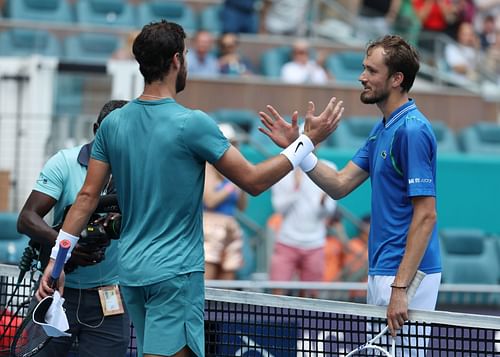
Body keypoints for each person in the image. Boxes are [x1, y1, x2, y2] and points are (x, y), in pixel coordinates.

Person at [36, 20, 345, 357]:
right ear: (176, 60)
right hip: (174, 276)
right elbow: (254, 182)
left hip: (132, 275)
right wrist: (306, 142)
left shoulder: (113, 123)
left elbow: (86, 198)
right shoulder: (192, 123)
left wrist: (57, 261)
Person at [259, 35, 442, 341]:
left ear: (397, 79)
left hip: (405, 274)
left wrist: (400, 286)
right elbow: (340, 184)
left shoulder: (412, 130)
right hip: (384, 269)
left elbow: (426, 216)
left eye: (371, 71)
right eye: (363, 69)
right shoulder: (383, 127)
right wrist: (298, 148)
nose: (362, 77)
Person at [17, 100, 130, 357]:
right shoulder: (64, 162)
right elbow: (26, 218)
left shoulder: (137, 173)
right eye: (109, 134)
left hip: (110, 298)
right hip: (55, 290)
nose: (116, 143)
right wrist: (66, 245)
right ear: (95, 129)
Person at [269, 158, 337, 298]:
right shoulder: (282, 168)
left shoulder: (329, 167)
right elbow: (279, 208)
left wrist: (323, 202)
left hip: (315, 243)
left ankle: (307, 322)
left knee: (311, 295)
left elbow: (329, 211)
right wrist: (296, 187)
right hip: (286, 241)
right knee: (277, 292)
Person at [203, 123, 246, 280]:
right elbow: (210, 201)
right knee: (208, 284)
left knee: (228, 287)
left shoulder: (235, 169)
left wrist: (241, 181)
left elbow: (242, 207)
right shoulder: (208, 167)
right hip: (209, 228)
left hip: (231, 228)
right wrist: (232, 184)